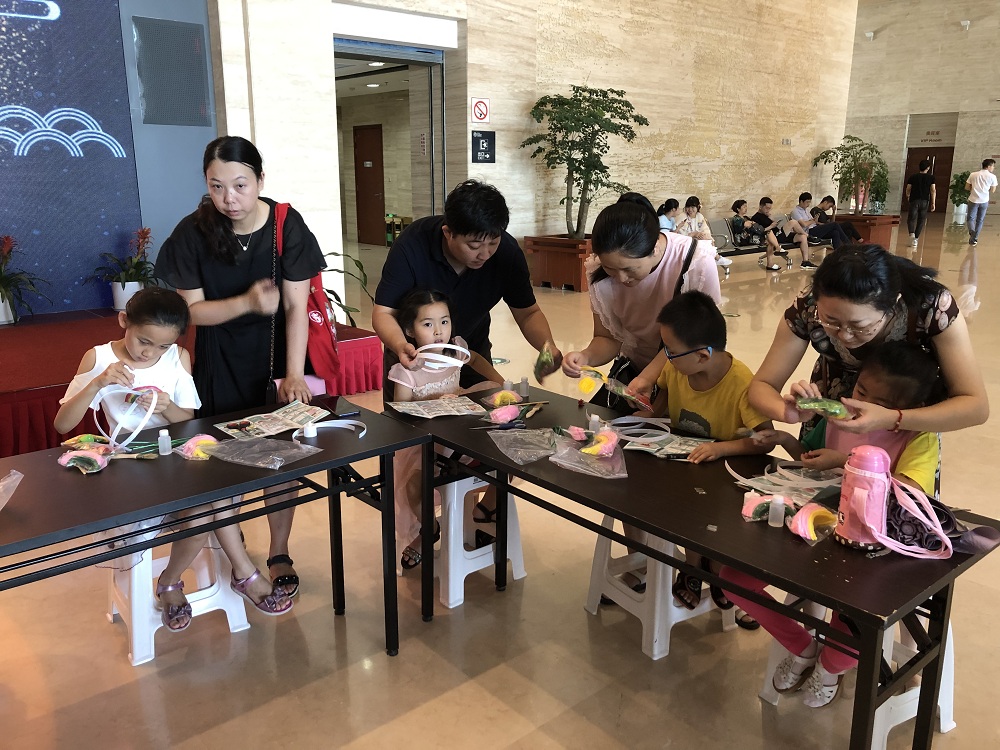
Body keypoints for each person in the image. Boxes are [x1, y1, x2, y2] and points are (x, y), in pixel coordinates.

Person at [54, 288, 293, 629]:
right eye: (144, 341)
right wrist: (97, 385)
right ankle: (238, 575)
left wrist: (166, 408)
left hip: (173, 460)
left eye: (162, 346)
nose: (150, 352)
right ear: (123, 321)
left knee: (206, 501)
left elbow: (189, 421)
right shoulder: (99, 358)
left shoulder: (177, 357)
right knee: (208, 502)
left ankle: (175, 580)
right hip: (129, 469)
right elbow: (62, 424)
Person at [724, 341, 942, 708]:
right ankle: (803, 648)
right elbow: (811, 459)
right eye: (861, 391)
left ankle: (829, 668)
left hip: (872, 548)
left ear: (906, 411)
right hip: (815, 529)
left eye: (880, 403)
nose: (861, 405)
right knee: (734, 578)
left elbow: (908, 494)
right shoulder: (838, 417)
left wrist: (844, 460)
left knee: (854, 614)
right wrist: (785, 440)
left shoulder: (918, 437)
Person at [155, 135, 327, 599]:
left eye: (240, 185)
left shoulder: (286, 225)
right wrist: (247, 302)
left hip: (276, 359)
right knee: (224, 463)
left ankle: (279, 550)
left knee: (282, 460)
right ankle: (236, 553)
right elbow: (191, 313)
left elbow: (296, 307)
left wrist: (295, 374)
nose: (229, 198)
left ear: (260, 180)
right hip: (219, 360)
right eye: (217, 186)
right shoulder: (192, 233)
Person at [748, 244, 988, 442]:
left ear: (893, 304)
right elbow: (762, 384)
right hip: (831, 420)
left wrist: (893, 418)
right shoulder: (808, 305)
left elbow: (975, 406)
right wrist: (788, 412)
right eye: (831, 321)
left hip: (906, 425)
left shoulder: (932, 306)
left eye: (859, 326)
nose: (844, 335)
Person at [639, 291, 773, 626]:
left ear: (702, 355)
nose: (666, 357)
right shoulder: (678, 370)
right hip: (682, 465)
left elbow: (765, 441)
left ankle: (715, 568)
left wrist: (722, 448)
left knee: (715, 517)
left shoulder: (742, 383)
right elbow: (662, 403)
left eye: (670, 350)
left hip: (726, 473)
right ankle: (694, 565)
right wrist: (646, 412)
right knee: (668, 503)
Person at [373, 179, 561, 390]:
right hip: (413, 357)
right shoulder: (413, 245)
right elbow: (384, 313)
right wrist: (401, 346)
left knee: (486, 405)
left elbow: (528, 313)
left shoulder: (507, 254)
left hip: (471, 351)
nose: (485, 254)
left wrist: (548, 346)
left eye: (493, 243)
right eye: (474, 246)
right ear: (448, 233)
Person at [561, 194, 722, 412]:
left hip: (688, 376)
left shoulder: (695, 262)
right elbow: (607, 338)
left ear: (654, 247)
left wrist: (649, 376)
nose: (621, 278)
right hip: (637, 374)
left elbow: (698, 342)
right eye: (610, 269)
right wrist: (585, 357)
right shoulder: (599, 271)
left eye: (629, 269)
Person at [387, 289, 503, 569]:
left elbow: (476, 359)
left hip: (460, 438)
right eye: (428, 324)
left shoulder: (456, 350)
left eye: (444, 321)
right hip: (424, 446)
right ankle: (429, 528)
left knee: (504, 452)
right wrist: (435, 403)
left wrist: (501, 381)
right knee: (414, 488)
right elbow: (401, 417)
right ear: (409, 330)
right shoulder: (406, 370)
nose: (439, 331)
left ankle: (485, 509)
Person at [751, 197, 812, 265]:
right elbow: (758, 232)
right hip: (773, 237)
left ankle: (805, 262)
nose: (768, 210)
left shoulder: (767, 215)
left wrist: (771, 219)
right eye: (767, 208)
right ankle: (808, 236)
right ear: (760, 206)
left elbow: (774, 225)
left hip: (779, 234)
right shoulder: (755, 218)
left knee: (802, 237)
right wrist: (771, 226)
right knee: (793, 222)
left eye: (770, 208)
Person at [790, 192, 849, 261]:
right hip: (809, 232)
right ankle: (848, 245)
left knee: (835, 232)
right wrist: (813, 221)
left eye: (809, 202)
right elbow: (804, 224)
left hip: (815, 229)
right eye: (807, 202)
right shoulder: (795, 211)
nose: (808, 204)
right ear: (801, 201)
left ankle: (838, 256)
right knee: (835, 224)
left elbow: (812, 221)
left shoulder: (806, 211)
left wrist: (815, 221)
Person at [675, 195, 731, 267]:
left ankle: (715, 258)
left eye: (693, 207)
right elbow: (678, 233)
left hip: (698, 239)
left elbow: (705, 229)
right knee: (703, 244)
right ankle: (717, 258)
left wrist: (704, 236)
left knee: (708, 240)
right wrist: (693, 234)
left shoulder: (700, 216)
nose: (690, 210)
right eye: (688, 207)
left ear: (698, 207)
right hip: (686, 241)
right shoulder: (682, 217)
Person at [731, 199, 784, 271]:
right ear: (738, 209)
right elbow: (748, 225)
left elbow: (754, 226)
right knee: (769, 233)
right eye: (744, 207)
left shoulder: (746, 218)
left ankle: (770, 264)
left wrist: (753, 224)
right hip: (744, 239)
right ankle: (778, 248)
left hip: (752, 237)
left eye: (746, 206)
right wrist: (752, 223)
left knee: (770, 241)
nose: (746, 208)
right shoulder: (736, 219)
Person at [964, 158, 997, 246]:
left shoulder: (973, 174)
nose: (993, 168)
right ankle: (974, 238)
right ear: (989, 166)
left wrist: (974, 189)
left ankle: (972, 232)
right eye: (993, 166)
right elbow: (993, 190)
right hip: (984, 200)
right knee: (980, 220)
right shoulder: (992, 177)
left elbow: (966, 187)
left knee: (970, 218)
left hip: (973, 199)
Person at [904, 161, 936, 247]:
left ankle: (911, 234)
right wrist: (933, 203)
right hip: (925, 201)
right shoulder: (931, 178)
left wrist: (908, 196)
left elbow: (908, 188)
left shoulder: (913, 177)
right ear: (928, 168)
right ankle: (915, 239)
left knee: (911, 218)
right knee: (921, 220)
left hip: (914, 200)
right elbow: (933, 190)